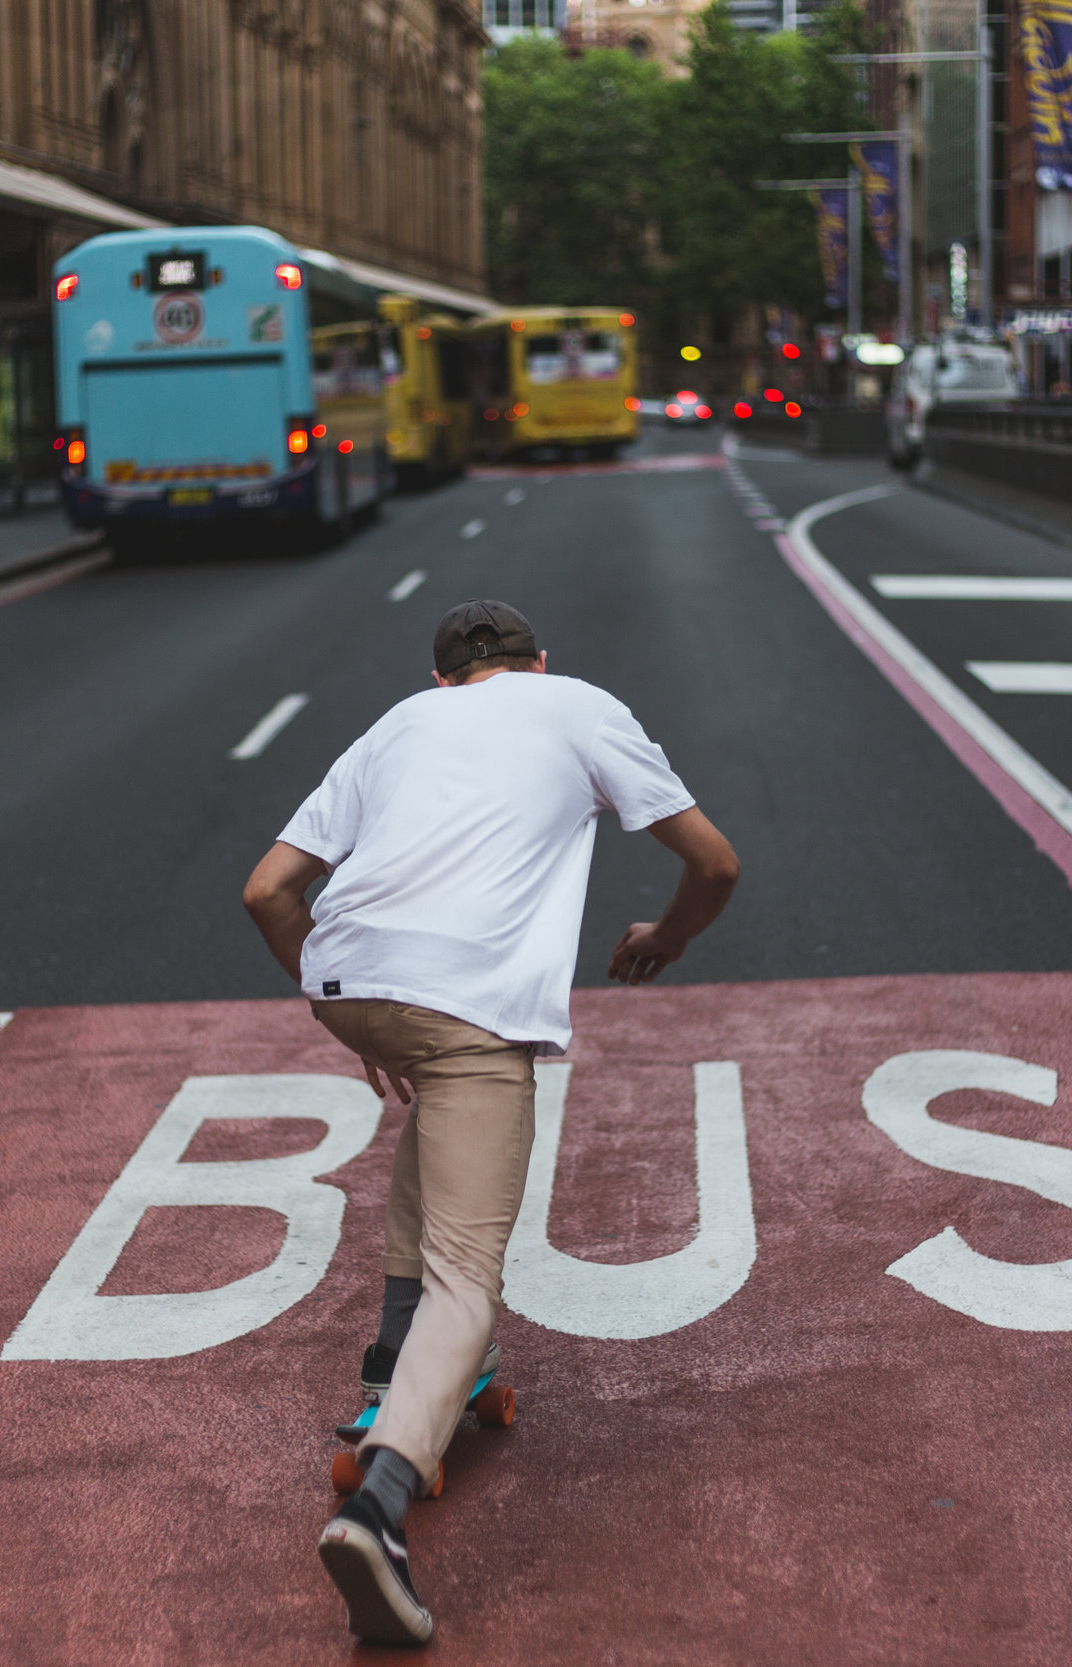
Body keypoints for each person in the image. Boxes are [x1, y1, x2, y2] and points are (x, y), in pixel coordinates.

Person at [242, 600, 739, 1647]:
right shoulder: (578, 706)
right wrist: (665, 936)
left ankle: (390, 1364)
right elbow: (715, 863)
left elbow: (268, 890)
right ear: (536, 662)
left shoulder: (394, 727)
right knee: (470, 1276)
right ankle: (375, 1511)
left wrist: (358, 1017)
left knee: (434, 1128)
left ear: (443, 683)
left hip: (348, 978)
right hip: (467, 1004)